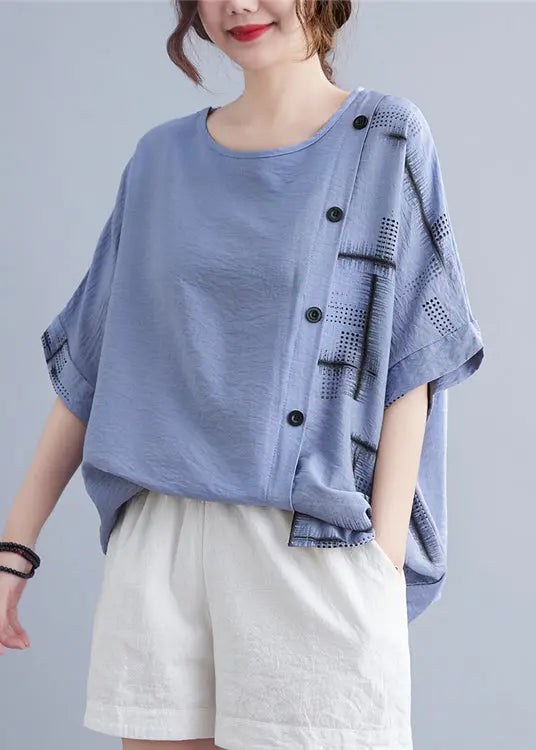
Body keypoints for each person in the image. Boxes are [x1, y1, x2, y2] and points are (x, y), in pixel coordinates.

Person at [0, 1, 485, 748]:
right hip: (160, 539)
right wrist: (15, 548)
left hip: (311, 542)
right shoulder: (159, 159)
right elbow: (92, 363)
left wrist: (380, 571)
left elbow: (411, 363)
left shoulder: (386, 138)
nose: (238, 6)